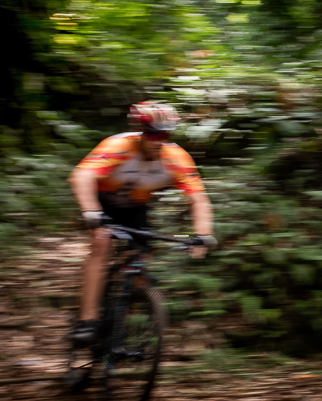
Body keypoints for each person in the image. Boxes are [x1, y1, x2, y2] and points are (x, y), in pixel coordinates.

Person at [68, 101, 216, 346]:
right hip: (102, 203)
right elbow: (81, 176)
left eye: (164, 136)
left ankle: (120, 324)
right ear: (141, 133)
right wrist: (91, 211)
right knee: (101, 245)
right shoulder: (119, 146)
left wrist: (203, 234)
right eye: (152, 135)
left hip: (136, 208)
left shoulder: (175, 158)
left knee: (139, 263)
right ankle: (87, 320)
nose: (158, 141)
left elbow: (198, 198)